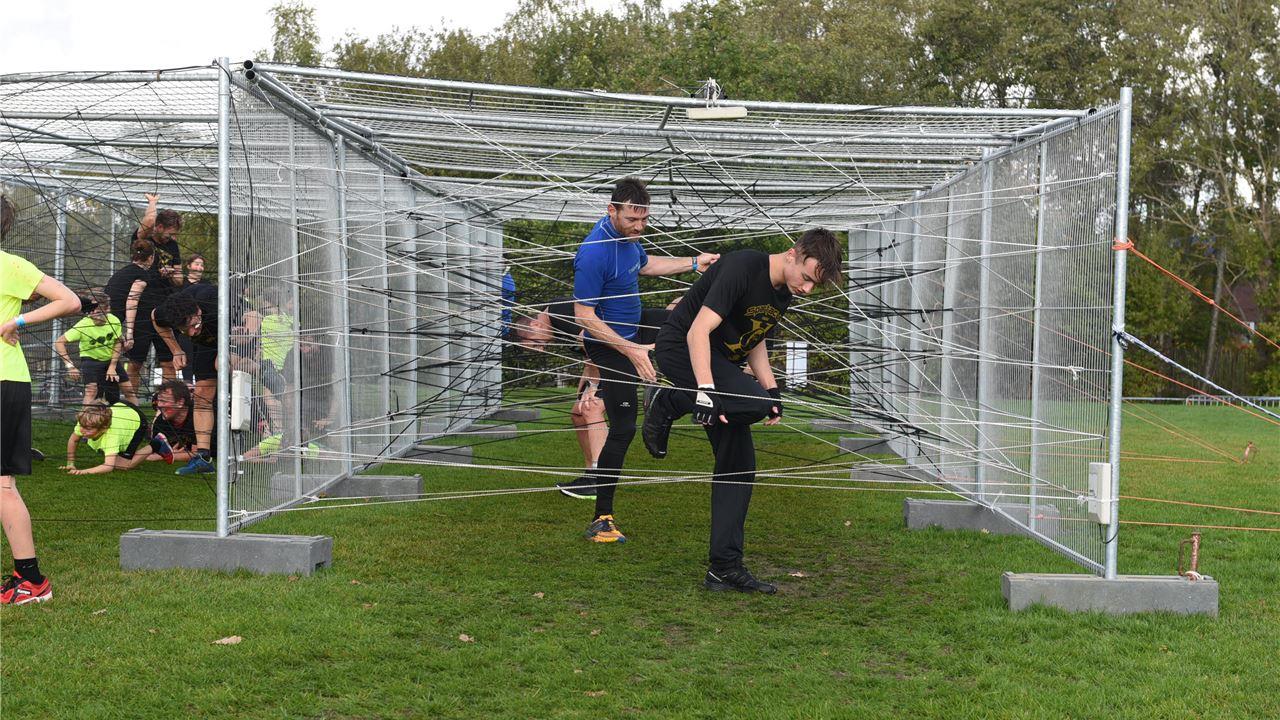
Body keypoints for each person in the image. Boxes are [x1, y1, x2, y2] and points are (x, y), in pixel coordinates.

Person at [642, 228, 844, 593]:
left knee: (740, 465)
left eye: (815, 285)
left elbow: (755, 337)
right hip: (682, 349)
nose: (807, 289)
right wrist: (705, 392)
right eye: (807, 278)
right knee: (752, 404)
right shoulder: (742, 267)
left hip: (719, 364)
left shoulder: (783, 292)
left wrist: (772, 388)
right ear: (792, 254)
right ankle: (670, 400)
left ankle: (724, 567)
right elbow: (697, 332)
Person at [571, 177, 719, 542]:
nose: (639, 227)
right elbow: (584, 317)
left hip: (635, 326)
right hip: (609, 344)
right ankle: (601, 518)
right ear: (612, 211)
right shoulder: (593, 253)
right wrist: (632, 350)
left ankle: (673, 401)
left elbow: (645, 264)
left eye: (644, 219)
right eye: (632, 219)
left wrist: (694, 263)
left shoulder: (629, 241)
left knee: (693, 327)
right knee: (623, 427)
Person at [0, 195, 83, 605]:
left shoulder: (10, 265)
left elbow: (70, 300)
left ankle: (32, 581)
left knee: (2, 485)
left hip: (4, 381)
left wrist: (16, 320)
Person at [514, 296, 674, 500]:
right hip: (619, 354)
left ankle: (599, 480)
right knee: (578, 414)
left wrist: (594, 385)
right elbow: (590, 352)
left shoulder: (557, 313)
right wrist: (585, 386)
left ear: (535, 325)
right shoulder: (555, 319)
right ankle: (591, 474)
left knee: (592, 408)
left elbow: (595, 342)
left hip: (636, 346)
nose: (542, 348)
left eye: (537, 344)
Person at [152, 281, 230, 475]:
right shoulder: (169, 312)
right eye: (185, 330)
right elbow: (154, 317)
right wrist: (176, 350)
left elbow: (249, 320)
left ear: (198, 310)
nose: (192, 332)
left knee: (225, 365)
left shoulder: (215, 300)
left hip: (236, 336)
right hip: (207, 343)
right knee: (202, 394)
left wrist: (226, 351)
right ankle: (203, 458)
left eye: (194, 325)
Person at [123, 193, 184, 393]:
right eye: (169, 233)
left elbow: (180, 279)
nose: (172, 237)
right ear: (159, 227)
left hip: (164, 309)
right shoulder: (143, 239)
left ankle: (168, 402)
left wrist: (171, 273)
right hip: (141, 309)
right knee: (135, 362)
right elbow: (149, 221)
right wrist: (152, 203)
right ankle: (131, 403)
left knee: (168, 361)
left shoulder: (173, 246)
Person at [54, 289, 127, 406]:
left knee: (128, 389)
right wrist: (70, 366)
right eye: (90, 311)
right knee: (91, 391)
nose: (92, 314)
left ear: (107, 309)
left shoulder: (114, 320)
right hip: (91, 360)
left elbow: (117, 342)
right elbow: (59, 342)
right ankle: (84, 417)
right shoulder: (84, 324)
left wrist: (112, 366)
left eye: (97, 311)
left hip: (110, 360)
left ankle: (138, 417)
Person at [103, 237, 154, 403]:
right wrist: (130, 333)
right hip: (113, 321)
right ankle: (128, 404)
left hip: (105, 319)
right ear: (151, 258)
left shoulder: (122, 272)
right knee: (111, 364)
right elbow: (132, 301)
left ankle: (114, 403)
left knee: (109, 363)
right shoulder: (142, 275)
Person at [62, 401, 153, 475]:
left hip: (137, 419)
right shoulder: (86, 421)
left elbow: (108, 467)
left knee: (122, 466)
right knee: (112, 454)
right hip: (121, 406)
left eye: (88, 429)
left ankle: (155, 444)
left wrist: (82, 472)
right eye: (82, 426)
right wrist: (70, 463)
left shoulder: (111, 436)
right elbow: (73, 440)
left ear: (103, 429)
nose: (82, 430)